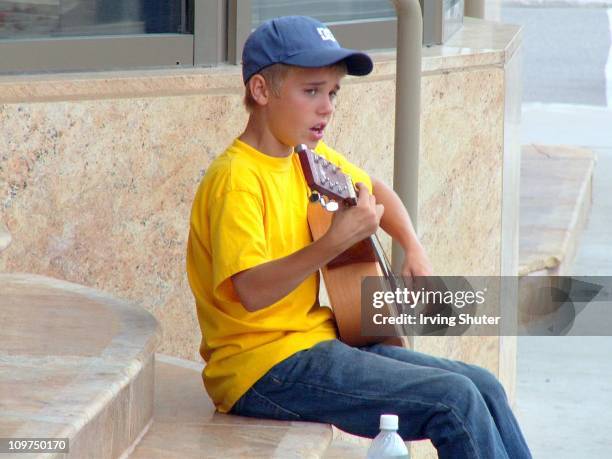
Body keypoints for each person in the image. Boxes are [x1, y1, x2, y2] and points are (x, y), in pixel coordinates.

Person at [186, 15, 532, 459]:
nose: (326, 106)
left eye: (332, 92)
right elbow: (251, 290)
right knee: (454, 399)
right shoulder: (236, 179)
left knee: (483, 386)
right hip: (261, 369)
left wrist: (413, 248)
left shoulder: (304, 156)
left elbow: (377, 191)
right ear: (260, 91)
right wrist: (331, 243)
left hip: (314, 344)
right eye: (311, 91)